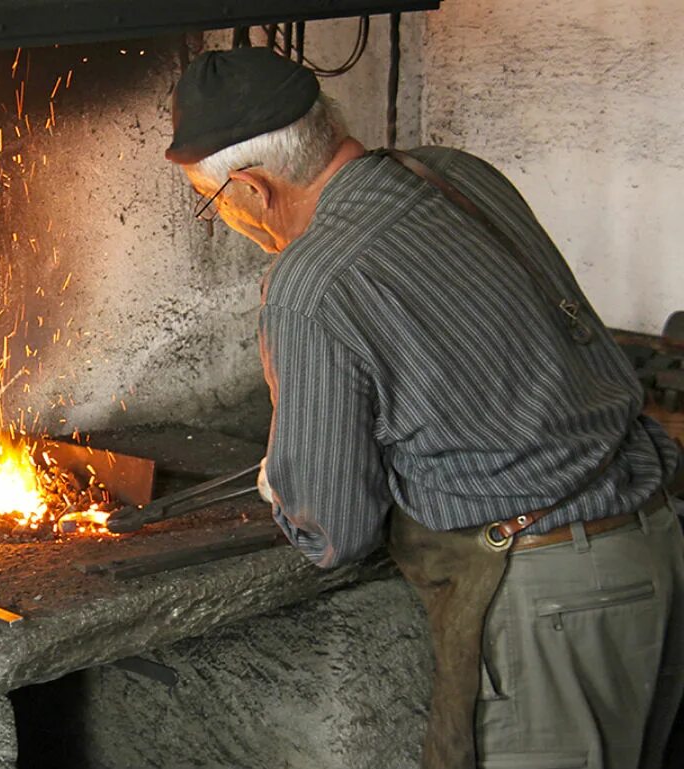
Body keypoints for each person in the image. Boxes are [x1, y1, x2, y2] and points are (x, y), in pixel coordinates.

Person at [166, 46, 684, 769]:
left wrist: (282, 480)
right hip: (654, 531)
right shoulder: (455, 173)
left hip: (554, 599)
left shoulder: (309, 283)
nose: (227, 219)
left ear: (252, 188)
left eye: (214, 202)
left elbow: (334, 530)